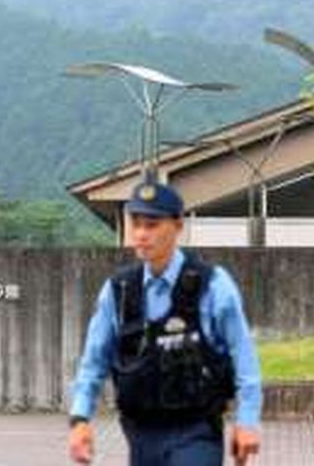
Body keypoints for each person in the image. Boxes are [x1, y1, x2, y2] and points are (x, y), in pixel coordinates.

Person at [67, 180, 262, 466]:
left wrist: (247, 422)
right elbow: (94, 360)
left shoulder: (213, 285)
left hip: (196, 431)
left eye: (152, 224)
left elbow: (244, 357)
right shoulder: (119, 291)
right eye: (136, 223)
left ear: (178, 225)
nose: (141, 234)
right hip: (141, 435)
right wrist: (80, 419)